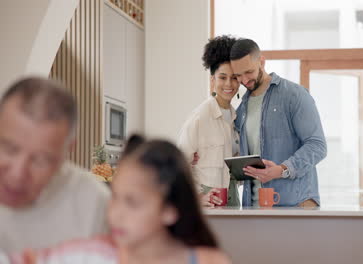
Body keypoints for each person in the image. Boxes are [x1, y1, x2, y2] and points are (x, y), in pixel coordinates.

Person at [6, 135, 231, 264]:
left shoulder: (210, 262)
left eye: (132, 202)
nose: (115, 213)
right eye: (115, 197)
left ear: (170, 210)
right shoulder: (87, 256)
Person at [0, 77, 110, 253]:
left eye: (40, 160)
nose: (17, 174)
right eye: (9, 149)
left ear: (67, 151)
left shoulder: (95, 204)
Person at [229, 38, 327, 207]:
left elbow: (317, 146)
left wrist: (282, 170)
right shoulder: (241, 109)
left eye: (249, 72)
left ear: (262, 61)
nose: (244, 80)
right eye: (238, 75)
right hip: (254, 208)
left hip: (296, 206)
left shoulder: (294, 95)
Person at [178, 35, 241, 207]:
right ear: (212, 80)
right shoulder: (200, 117)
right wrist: (197, 198)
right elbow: (177, 168)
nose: (229, 83)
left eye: (234, 77)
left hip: (233, 200)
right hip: (208, 205)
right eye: (222, 77)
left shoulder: (238, 117)